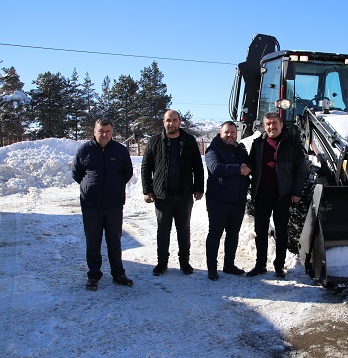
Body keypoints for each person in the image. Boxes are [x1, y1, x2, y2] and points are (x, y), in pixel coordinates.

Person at [71, 118, 134, 291]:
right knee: (93, 242)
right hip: (91, 205)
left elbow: (127, 172)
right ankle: (94, 275)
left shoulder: (120, 150)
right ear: (94, 131)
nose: (104, 134)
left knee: (114, 241)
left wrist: (115, 187)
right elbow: (77, 173)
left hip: (114, 205)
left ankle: (118, 274)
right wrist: (90, 187)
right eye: (101, 131)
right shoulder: (85, 150)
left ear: (112, 132)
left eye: (107, 131)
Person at [141, 110, 204, 276]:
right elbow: (146, 167)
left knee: (183, 229)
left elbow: (198, 166)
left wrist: (198, 188)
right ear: (163, 122)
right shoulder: (155, 141)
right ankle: (162, 263)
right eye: (168, 120)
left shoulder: (189, 140)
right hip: (162, 195)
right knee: (163, 230)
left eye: (174, 120)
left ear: (179, 122)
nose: (171, 123)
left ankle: (185, 262)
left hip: (184, 194)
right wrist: (147, 190)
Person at [246, 112, 307, 278]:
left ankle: (279, 266)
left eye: (274, 123)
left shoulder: (292, 143)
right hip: (261, 195)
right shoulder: (258, 143)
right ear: (264, 126)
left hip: (283, 196)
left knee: (281, 232)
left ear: (281, 124)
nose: (271, 127)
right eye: (268, 124)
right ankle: (260, 265)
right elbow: (251, 162)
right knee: (261, 231)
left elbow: (301, 170)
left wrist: (297, 192)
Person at [204, 121, 251, 281]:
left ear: (236, 133)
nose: (230, 135)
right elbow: (215, 168)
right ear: (220, 133)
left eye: (232, 132)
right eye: (226, 132)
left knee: (233, 234)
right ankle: (212, 269)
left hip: (237, 200)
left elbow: (248, 165)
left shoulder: (240, 149)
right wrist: (239, 169)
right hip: (218, 201)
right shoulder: (213, 149)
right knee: (215, 234)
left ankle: (229, 265)